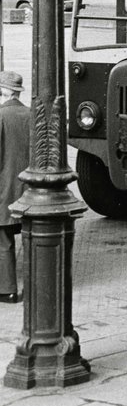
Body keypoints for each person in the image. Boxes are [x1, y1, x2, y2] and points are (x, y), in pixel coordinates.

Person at [0, 71, 30, 303]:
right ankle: (35, 285)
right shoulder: (31, 115)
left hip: (5, 190)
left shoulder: (1, 116)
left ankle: (7, 289)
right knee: (31, 239)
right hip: (31, 191)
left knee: (3, 241)